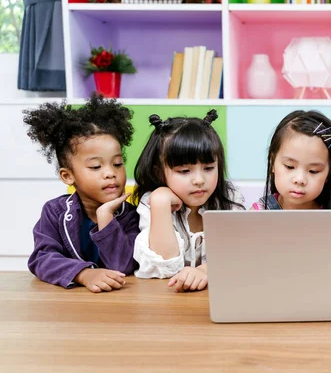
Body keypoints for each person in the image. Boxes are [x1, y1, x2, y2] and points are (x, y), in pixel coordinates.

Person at [24, 93, 139, 292]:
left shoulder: (131, 215)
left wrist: (106, 217)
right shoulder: (54, 211)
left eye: (118, 164)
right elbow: (41, 258)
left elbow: (123, 266)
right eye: (96, 167)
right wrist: (84, 274)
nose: (111, 173)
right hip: (70, 306)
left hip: (121, 305)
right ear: (68, 176)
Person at [133, 110, 244, 292]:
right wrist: (160, 203)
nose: (199, 180)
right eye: (184, 171)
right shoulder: (151, 203)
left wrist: (206, 270)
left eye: (208, 168)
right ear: (158, 171)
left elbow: (240, 257)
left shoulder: (229, 200)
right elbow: (163, 268)